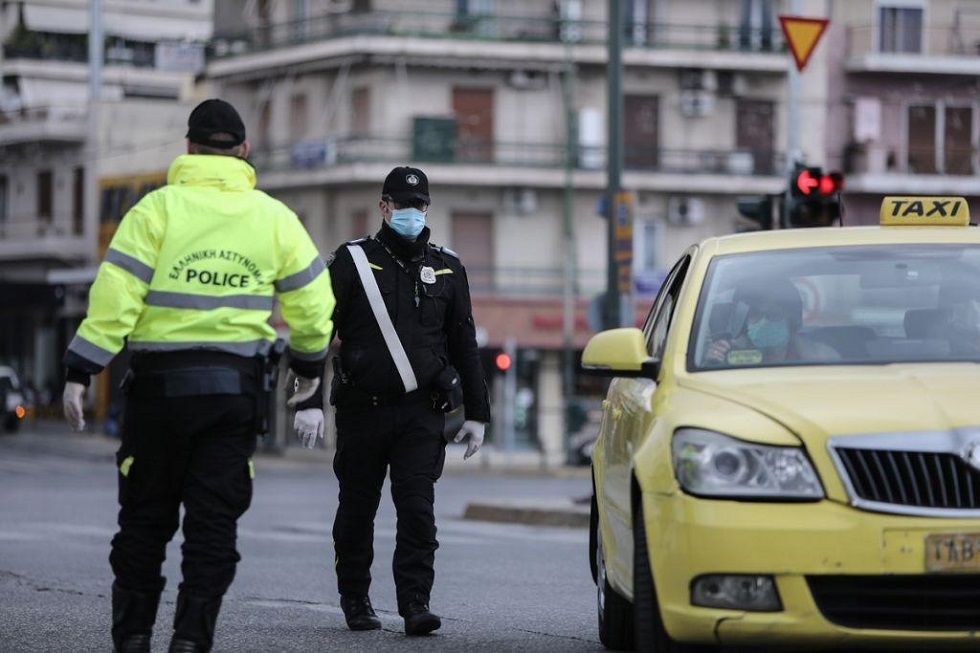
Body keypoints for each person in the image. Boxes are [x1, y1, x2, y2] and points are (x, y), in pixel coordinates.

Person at [61, 98, 335, 653]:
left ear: (187, 149)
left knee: (143, 521)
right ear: (244, 151)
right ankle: (190, 641)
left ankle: (133, 637)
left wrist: (81, 369)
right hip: (233, 395)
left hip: (159, 392)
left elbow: (114, 297)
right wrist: (307, 370)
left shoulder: (154, 210)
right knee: (213, 527)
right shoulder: (274, 218)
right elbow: (314, 304)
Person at [325, 165, 490, 636]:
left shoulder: (447, 266)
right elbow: (317, 330)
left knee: (417, 510)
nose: (412, 213)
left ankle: (415, 603)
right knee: (357, 510)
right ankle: (355, 598)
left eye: (420, 206)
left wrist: (477, 414)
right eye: (403, 205)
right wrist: (308, 399)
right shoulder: (352, 262)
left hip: (421, 413)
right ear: (384, 207)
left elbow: (464, 344)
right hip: (362, 410)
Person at [703, 278, 838, 365]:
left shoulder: (823, 358)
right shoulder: (730, 355)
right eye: (755, 314)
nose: (763, 322)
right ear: (745, 320)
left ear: (792, 320)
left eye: (774, 314)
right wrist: (714, 362)